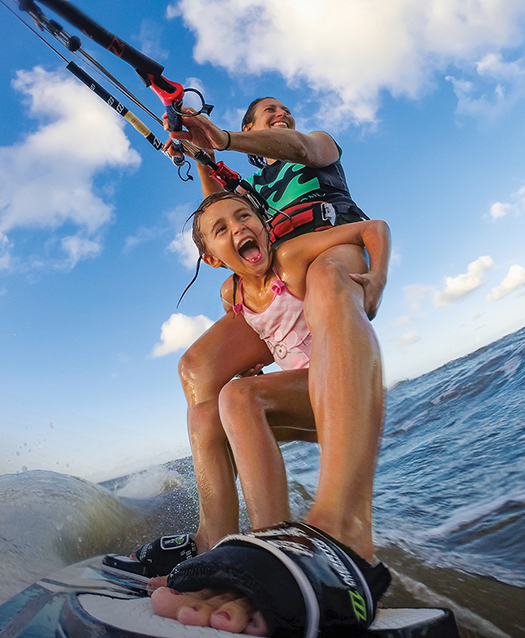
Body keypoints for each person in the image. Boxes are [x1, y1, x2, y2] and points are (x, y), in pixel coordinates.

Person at [147, 191, 390, 634]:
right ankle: (219, 544)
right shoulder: (232, 292)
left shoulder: (290, 259)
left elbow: (374, 228)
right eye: (221, 229)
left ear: (264, 225)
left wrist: (377, 278)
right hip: (300, 402)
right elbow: (262, 335)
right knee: (207, 413)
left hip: (340, 392)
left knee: (239, 397)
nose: (238, 228)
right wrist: (254, 366)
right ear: (214, 258)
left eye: (244, 217)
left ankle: (275, 548)